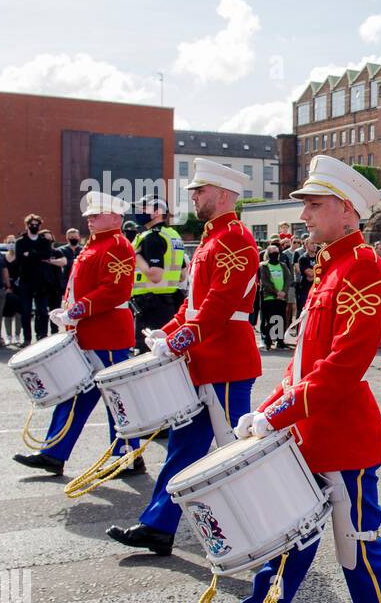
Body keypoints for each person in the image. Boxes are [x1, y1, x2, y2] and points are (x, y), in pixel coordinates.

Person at [157, 156, 381, 603]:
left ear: (347, 210)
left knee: (362, 559)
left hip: (340, 441)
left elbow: (345, 365)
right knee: (282, 554)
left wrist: (281, 412)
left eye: (314, 204)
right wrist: (275, 406)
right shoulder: (334, 265)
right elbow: (305, 360)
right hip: (308, 434)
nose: (302, 214)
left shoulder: (365, 267)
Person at [106, 158, 260, 555]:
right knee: (183, 447)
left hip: (225, 358)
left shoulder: (236, 238)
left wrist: (180, 339)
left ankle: (260, 527)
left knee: (232, 450)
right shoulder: (213, 238)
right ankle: (157, 525)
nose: (193, 196)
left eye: (200, 191)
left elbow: (221, 304)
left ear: (223, 195)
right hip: (203, 356)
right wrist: (169, 332)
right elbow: (193, 305)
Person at [13, 192, 144, 476]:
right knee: (75, 395)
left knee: (115, 396)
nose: (90, 220)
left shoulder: (117, 244)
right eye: (89, 216)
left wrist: (77, 311)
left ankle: (128, 455)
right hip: (89, 330)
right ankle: (54, 452)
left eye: (96, 215)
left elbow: (115, 289)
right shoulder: (98, 244)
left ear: (115, 217)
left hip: (106, 332)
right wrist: (68, 311)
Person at [130, 197, 188, 353]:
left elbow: (155, 275)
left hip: (150, 305)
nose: (139, 212)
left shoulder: (152, 238)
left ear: (157, 212)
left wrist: (136, 257)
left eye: (143, 209)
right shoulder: (173, 235)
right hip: (169, 303)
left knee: (146, 354)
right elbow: (182, 275)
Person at [12, 214, 61, 346]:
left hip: (41, 281)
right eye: (31, 224)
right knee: (26, 311)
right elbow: (20, 258)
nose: (34, 227)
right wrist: (36, 256)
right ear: (26, 225)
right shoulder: (20, 242)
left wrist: (31, 254)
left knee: (42, 311)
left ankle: (42, 336)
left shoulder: (44, 241)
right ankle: (27, 338)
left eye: (37, 225)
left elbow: (46, 255)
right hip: (26, 280)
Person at [258, 243, 291, 349]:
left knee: (280, 319)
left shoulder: (283, 265)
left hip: (282, 297)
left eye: (277, 252)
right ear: (268, 253)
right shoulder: (264, 265)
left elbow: (288, 279)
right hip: (269, 297)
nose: (275, 254)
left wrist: (284, 292)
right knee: (269, 319)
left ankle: (280, 341)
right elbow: (265, 281)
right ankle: (267, 341)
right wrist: (277, 292)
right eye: (272, 252)